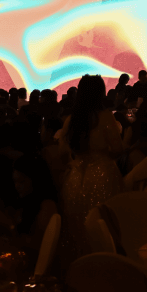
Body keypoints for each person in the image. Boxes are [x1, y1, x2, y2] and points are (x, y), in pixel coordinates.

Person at [57, 74, 124, 265]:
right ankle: (107, 267)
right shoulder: (105, 117)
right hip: (103, 175)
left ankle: (80, 268)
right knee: (104, 227)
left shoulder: (72, 119)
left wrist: (74, 163)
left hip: (75, 178)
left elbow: (62, 153)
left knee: (76, 228)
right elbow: (118, 149)